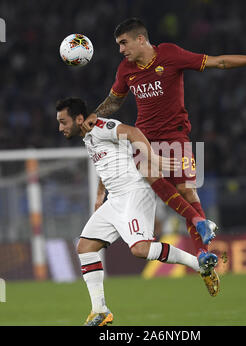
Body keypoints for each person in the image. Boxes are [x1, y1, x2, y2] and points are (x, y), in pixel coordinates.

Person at [82, 17, 246, 286]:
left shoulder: (169, 54)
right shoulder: (125, 70)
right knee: (155, 180)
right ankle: (198, 225)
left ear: (140, 39)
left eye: (124, 43)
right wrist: (93, 116)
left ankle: (203, 254)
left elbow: (218, 61)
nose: (121, 50)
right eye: (119, 45)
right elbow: (114, 102)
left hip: (176, 136)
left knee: (187, 191)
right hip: (144, 139)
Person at [56, 97, 219, 326]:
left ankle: (198, 264)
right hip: (115, 198)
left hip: (135, 190)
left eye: (63, 122)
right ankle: (100, 310)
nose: (60, 127)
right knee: (85, 247)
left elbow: (132, 132)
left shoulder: (100, 127)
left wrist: (151, 158)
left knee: (140, 249)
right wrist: (100, 195)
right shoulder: (88, 138)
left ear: (79, 119)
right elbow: (108, 165)